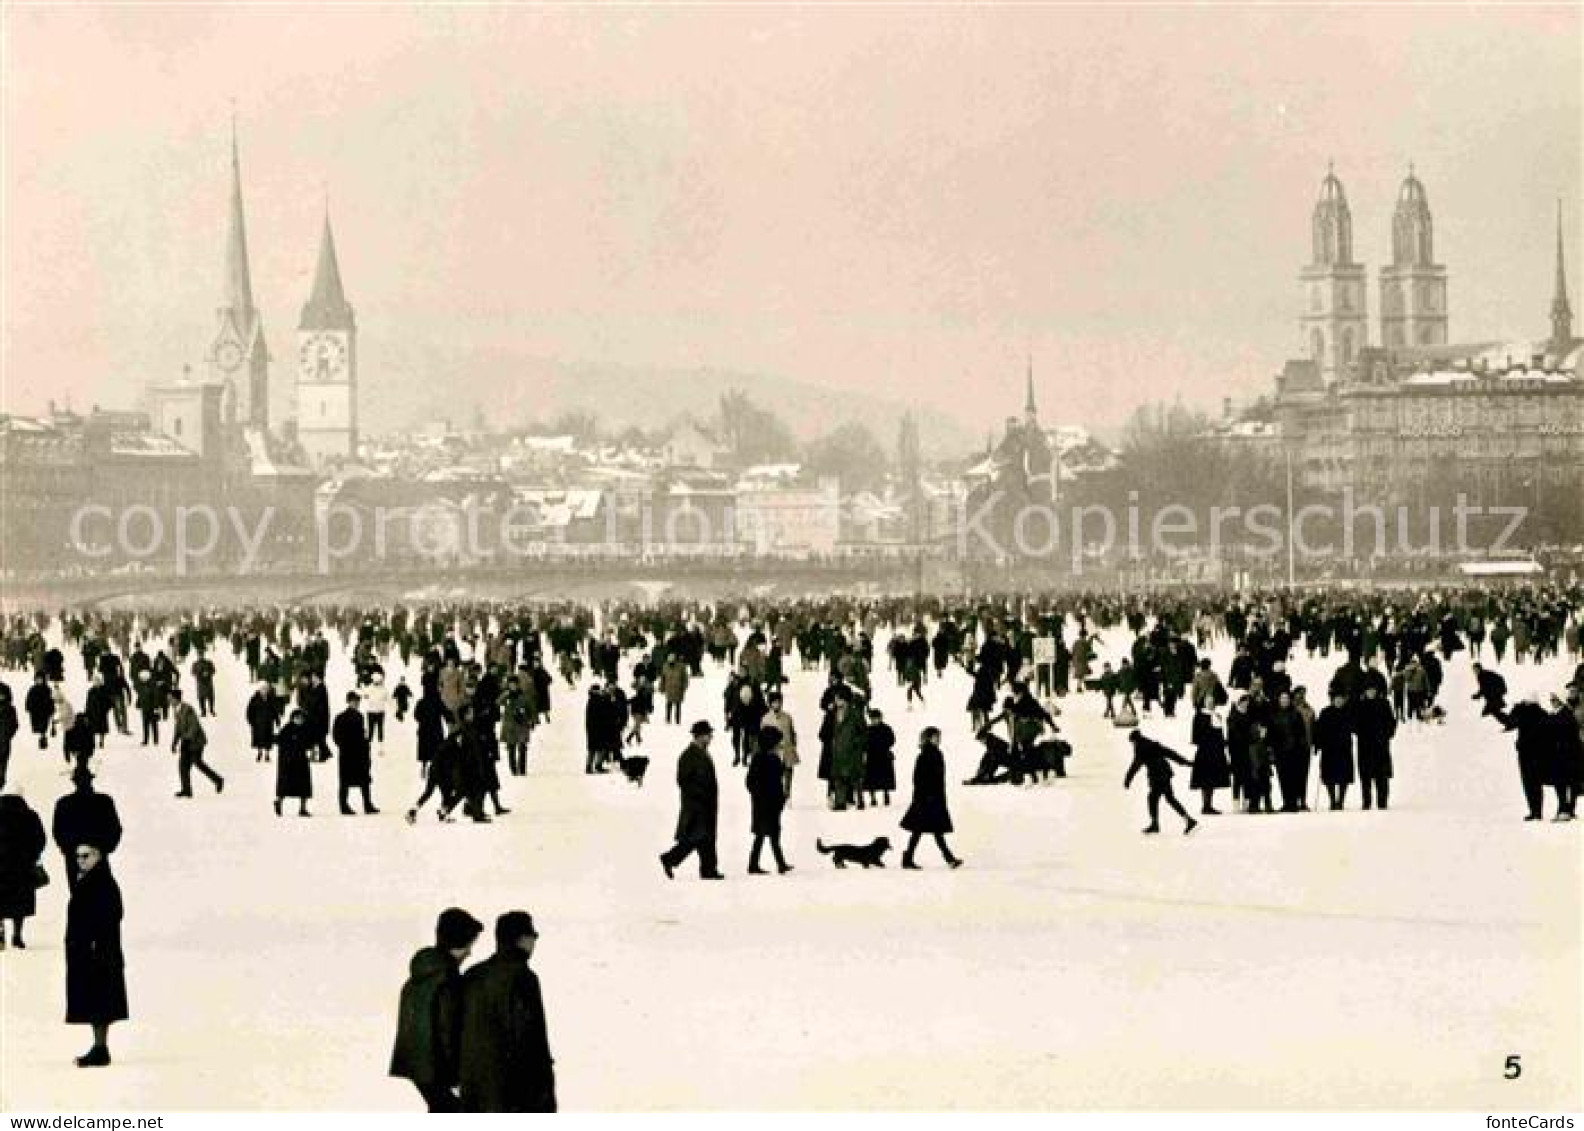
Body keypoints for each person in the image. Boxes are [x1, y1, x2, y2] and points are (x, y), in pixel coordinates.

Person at [458, 911, 556, 1113]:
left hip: (474, 1092)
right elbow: (530, 1040)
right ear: (523, 940)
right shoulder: (523, 977)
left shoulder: (472, 974)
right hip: (515, 1095)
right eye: (533, 938)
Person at [390, 907, 485, 1112]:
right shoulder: (448, 979)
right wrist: (460, 1075)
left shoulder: (420, 975)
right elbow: (448, 1030)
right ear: (459, 943)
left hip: (418, 1068)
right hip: (438, 1070)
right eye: (469, 944)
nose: (470, 952)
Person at [65, 841, 127, 1067]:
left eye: (85, 856)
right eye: (78, 856)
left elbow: (112, 914)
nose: (80, 860)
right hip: (90, 950)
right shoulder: (88, 880)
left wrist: (94, 941)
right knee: (95, 1000)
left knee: (100, 1000)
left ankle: (100, 1047)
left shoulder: (102, 883)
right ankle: (99, 1046)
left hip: (99, 952)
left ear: (98, 856)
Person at [660, 721, 723, 881]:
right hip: (696, 805)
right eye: (708, 735)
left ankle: (708, 869)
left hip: (705, 804)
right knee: (696, 837)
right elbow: (683, 781)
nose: (711, 737)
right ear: (700, 736)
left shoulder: (702, 752)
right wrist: (698, 795)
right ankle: (670, 858)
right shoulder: (688, 755)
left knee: (705, 837)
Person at [900, 726, 963, 869]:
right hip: (926, 798)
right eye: (935, 737)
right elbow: (918, 778)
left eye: (938, 736)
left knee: (927, 830)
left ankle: (909, 858)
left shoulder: (936, 753)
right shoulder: (925, 755)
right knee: (926, 830)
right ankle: (948, 859)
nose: (938, 739)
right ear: (928, 738)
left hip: (933, 797)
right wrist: (926, 795)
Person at [52, 766, 122, 889]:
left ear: (74, 782)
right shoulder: (104, 801)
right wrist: (105, 848)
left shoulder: (64, 803)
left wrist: (68, 849)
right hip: (98, 853)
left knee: (78, 896)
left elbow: (58, 831)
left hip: (74, 856)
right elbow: (115, 828)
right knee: (101, 894)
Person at [1123, 730, 1198, 836]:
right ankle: (1188, 820)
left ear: (1134, 740)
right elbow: (1170, 753)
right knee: (1169, 799)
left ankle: (1156, 824)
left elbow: (1135, 765)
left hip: (1157, 776)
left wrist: (1128, 779)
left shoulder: (1140, 747)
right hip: (1165, 774)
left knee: (1153, 798)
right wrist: (1184, 762)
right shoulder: (1152, 744)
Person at [0, 784, 47, 951]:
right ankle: (17, 935)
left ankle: (0, 932)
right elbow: (41, 839)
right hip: (23, 867)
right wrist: (32, 855)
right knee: (19, 903)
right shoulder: (31, 816)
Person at [746, 724, 792, 875]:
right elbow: (757, 782)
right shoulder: (770, 759)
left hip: (764, 804)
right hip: (768, 804)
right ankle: (776, 864)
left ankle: (769, 863)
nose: (779, 745)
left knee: (766, 834)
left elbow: (750, 782)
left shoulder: (760, 758)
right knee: (770, 834)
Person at [170, 688, 224, 798]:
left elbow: (194, 726)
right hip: (187, 742)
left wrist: (187, 739)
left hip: (196, 742)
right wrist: (174, 742)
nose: (169, 701)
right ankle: (186, 790)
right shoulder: (176, 710)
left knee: (197, 763)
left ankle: (218, 780)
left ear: (176, 699)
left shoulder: (188, 709)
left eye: (170, 698)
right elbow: (178, 728)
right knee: (183, 766)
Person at [334, 692, 378, 815]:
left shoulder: (359, 716)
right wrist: (344, 746)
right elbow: (336, 735)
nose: (356, 703)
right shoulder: (340, 717)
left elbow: (362, 733)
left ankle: (368, 805)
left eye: (358, 701)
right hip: (347, 754)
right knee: (345, 782)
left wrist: (365, 747)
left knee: (364, 780)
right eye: (354, 701)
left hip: (359, 754)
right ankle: (344, 806)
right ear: (348, 701)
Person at [1354, 685, 1397, 811]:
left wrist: (1387, 734)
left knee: (1382, 775)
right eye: (1368, 690)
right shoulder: (1360, 705)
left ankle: (1382, 801)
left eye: (1373, 690)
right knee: (1365, 775)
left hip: (1381, 745)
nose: (1371, 692)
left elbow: (1391, 721)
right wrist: (1360, 732)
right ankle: (1366, 802)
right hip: (1365, 745)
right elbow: (1354, 723)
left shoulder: (1384, 704)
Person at [1313, 692, 1355, 810]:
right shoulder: (1325, 712)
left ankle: (1340, 800)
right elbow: (1319, 729)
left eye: (1341, 699)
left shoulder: (1348, 712)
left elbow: (1353, 727)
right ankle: (1332, 799)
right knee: (1329, 775)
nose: (1338, 701)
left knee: (1344, 776)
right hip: (1329, 748)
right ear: (1332, 700)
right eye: (1336, 699)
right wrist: (1318, 744)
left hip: (1344, 748)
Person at [273, 707, 315, 817]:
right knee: (286, 786)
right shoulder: (286, 730)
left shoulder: (305, 729)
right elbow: (279, 741)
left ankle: (302, 808)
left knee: (304, 787)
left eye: (301, 718)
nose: (300, 720)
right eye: (297, 718)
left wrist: (311, 750)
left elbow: (309, 742)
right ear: (292, 718)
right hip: (289, 763)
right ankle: (279, 802)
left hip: (301, 762)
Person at [1188, 706, 1230, 815]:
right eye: (1208, 699)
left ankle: (1208, 805)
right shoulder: (1199, 716)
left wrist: (1223, 745)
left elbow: (1220, 734)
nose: (1210, 702)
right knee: (1205, 779)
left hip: (1216, 751)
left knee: (1212, 779)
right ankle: (1206, 806)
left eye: (1212, 700)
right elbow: (1195, 737)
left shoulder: (1217, 715)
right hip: (1205, 751)